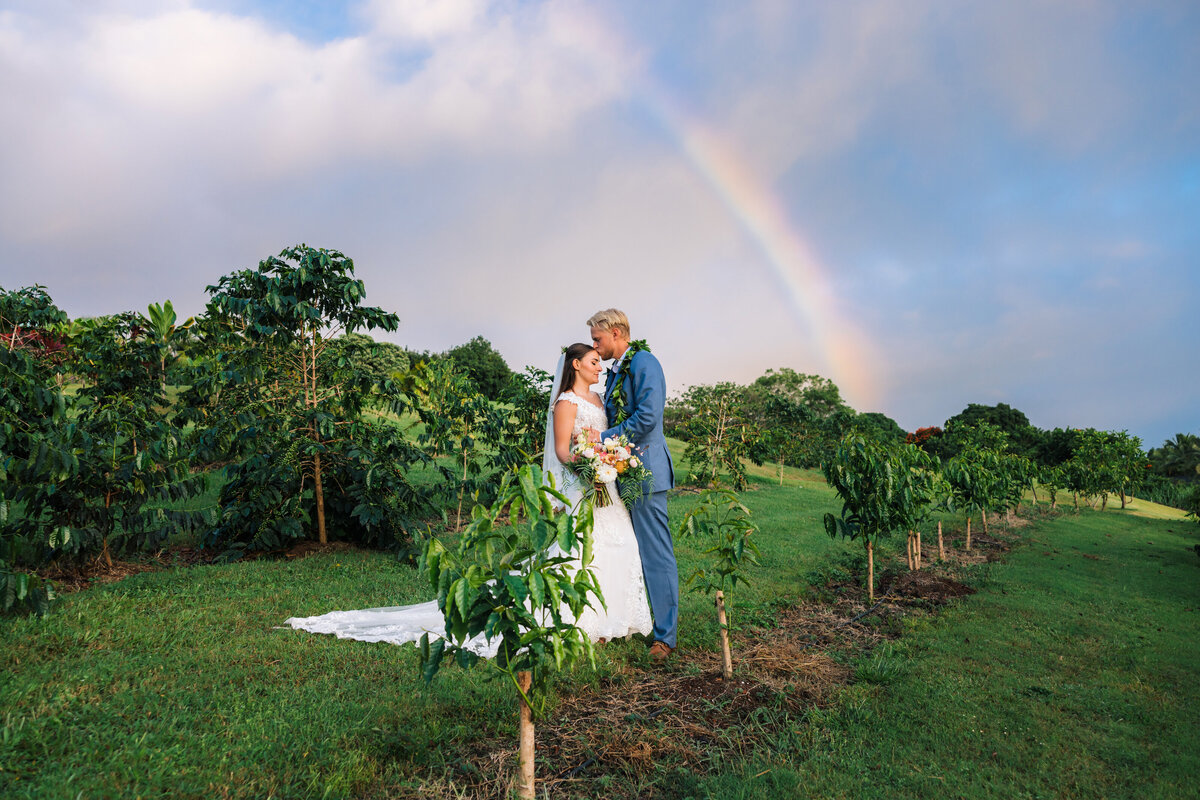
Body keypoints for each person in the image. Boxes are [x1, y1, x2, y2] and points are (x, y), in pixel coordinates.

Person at [284, 343, 653, 653]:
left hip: (606, 486)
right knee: (581, 549)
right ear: (576, 364)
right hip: (582, 484)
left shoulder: (601, 401)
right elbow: (561, 451)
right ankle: (578, 621)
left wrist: (609, 462)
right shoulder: (567, 403)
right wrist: (590, 468)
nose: (599, 367)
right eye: (593, 361)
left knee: (615, 544)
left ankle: (609, 622)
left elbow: (602, 439)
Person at [586, 309, 678, 662]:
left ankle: (665, 637)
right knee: (627, 549)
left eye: (598, 339)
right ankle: (624, 620)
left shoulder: (644, 362)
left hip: (647, 472)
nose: (596, 345)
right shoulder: (616, 371)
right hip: (621, 472)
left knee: (656, 553)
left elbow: (647, 417)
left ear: (617, 332)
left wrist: (602, 440)